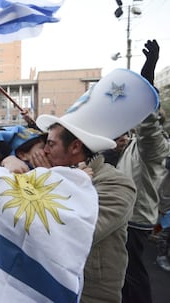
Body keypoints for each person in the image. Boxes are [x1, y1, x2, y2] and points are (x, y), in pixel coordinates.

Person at [36, 66, 160, 302]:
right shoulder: (53, 171)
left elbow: (69, 233)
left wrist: (50, 181)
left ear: (75, 148)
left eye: (50, 144)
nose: (44, 151)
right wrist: (8, 158)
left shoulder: (117, 185)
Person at [0, 125, 100, 302]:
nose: (46, 151)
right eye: (42, 147)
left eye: (50, 145)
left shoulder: (83, 178)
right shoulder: (8, 179)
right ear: (22, 155)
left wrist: (69, 183)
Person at [106, 40, 169, 303]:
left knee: (134, 276)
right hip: (127, 216)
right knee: (125, 274)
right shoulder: (132, 146)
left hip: (136, 218)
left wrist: (147, 83)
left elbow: (148, 126)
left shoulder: (154, 146)